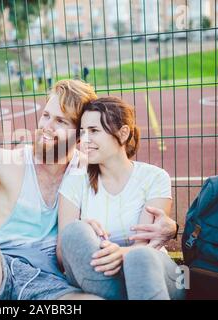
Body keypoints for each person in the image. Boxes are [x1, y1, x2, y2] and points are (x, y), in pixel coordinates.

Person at [0, 71, 179, 300]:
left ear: (80, 136)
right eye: (46, 115)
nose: (47, 126)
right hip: (0, 271)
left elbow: (129, 182)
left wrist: (170, 226)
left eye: (61, 121)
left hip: (52, 285)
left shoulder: (86, 170)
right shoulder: (5, 161)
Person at [57, 96, 185, 300]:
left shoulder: (154, 177)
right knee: (74, 231)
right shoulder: (75, 180)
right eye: (82, 132)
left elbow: (143, 245)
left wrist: (121, 254)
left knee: (139, 257)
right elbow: (63, 255)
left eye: (94, 131)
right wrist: (85, 227)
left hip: (153, 276)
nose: (84, 140)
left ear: (123, 133)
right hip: (100, 275)